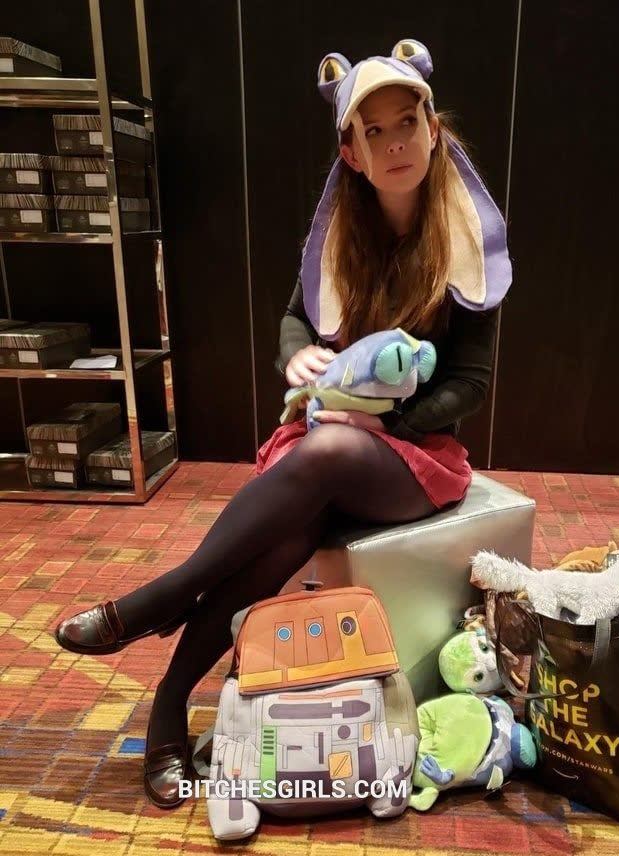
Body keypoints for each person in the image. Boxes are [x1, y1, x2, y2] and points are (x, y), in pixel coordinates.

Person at [54, 38, 513, 810]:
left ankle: (161, 598)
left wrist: (385, 414)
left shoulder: (465, 237)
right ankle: (169, 705)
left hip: (415, 456)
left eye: (408, 122)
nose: (395, 143)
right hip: (336, 440)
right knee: (284, 541)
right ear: (351, 152)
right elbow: (298, 318)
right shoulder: (344, 233)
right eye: (374, 131)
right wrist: (300, 358)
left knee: (328, 450)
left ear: (434, 128)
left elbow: (473, 382)